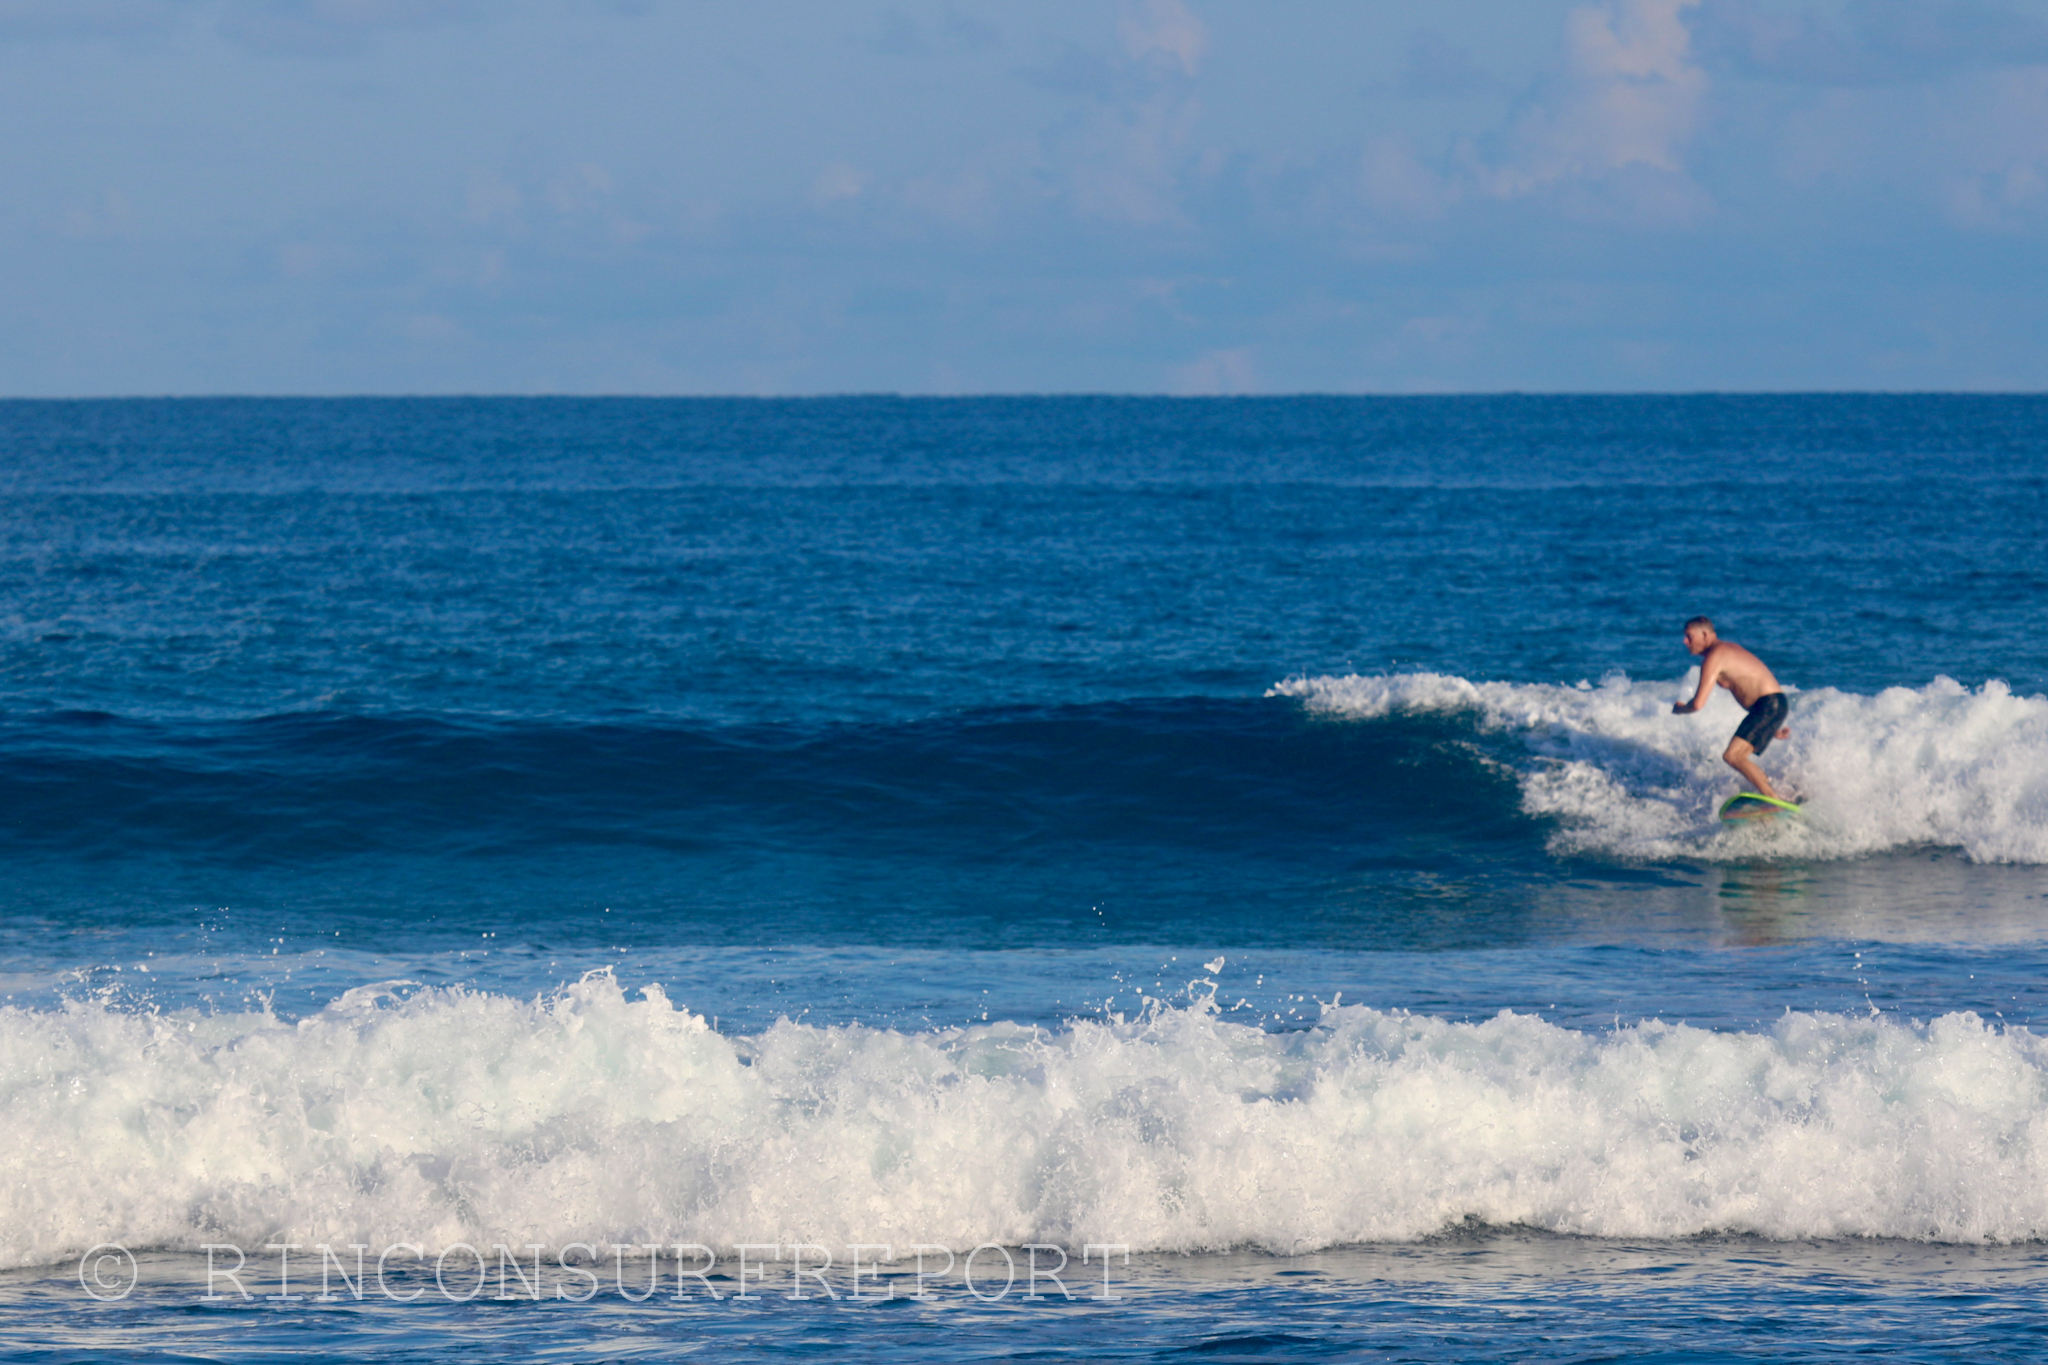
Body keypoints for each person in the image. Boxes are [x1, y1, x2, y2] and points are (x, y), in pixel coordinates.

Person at [1672, 616, 1792, 800]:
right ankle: (1779, 793)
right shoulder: (1727, 650)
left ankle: (1773, 799)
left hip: (1768, 704)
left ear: (1705, 634)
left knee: (1732, 756)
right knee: (1739, 756)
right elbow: (1751, 684)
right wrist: (1770, 727)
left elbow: (1697, 704)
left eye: (1689, 636)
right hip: (1772, 705)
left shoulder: (1715, 657)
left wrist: (1680, 709)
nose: (1684, 641)